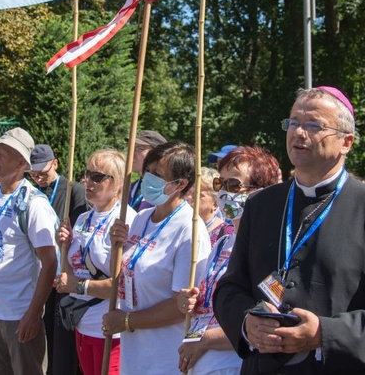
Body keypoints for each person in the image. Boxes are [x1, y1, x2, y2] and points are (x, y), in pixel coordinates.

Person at [213, 86, 365, 374]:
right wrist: (247, 322)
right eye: (294, 123)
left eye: (313, 125)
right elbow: (229, 288)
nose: (299, 133)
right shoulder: (261, 205)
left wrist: (324, 334)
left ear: (346, 142)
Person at [102, 140, 211, 374]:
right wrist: (115, 247)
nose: (148, 178)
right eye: (147, 171)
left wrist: (127, 321)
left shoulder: (189, 229)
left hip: (166, 357)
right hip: (134, 353)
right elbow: (118, 275)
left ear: (180, 183)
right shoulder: (141, 218)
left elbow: (181, 305)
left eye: (157, 174)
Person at [176, 146, 281, 374]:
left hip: (235, 365)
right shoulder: (223, 240)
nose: (223, 192)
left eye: (233, 185)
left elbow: (266, 320)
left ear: (261, 191)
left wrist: (205, 340)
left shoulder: (271, 247)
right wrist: (191, 301)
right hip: (203, 365)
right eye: (219, 184)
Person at [0, 128, 59, 375]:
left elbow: (50, 262)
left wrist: (33, 314)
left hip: (18, 314)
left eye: (2, 154)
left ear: (21, 162)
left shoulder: (34, 204)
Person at [55, 149, 137, 375]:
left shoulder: (127, 221)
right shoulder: (83, 217)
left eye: (97, 177)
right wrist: (63, 245)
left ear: (119, 183)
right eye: (87, 174)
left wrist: (77, 286)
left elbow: (120, 286)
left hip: (111, 331)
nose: (87, 181)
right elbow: (72, 270)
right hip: (82, 323)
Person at [29, 144, 88, 375]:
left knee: (61, 337)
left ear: (55, 163)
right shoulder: (33, 193)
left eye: (43, 172)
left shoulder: (73, 191)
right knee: (46, 333)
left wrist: (68, 234)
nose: (39, 178)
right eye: (34, 174)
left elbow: (80, 229)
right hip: (39, 271)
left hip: (63, 272)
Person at [184, 166, 227, 245]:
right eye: (187, 193)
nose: (188, 198)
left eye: (196, 195)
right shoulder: (180, 226)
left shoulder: (225, 235)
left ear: (215, 203)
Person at [126, 130, 167, 211]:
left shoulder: (166, 190)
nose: (132, 153)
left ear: (157, 153)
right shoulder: (129, 188)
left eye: (139, 148)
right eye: (131, 148)